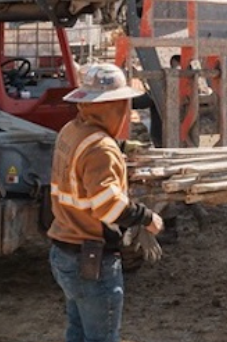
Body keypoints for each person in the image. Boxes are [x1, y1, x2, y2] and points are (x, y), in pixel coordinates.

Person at [48, 62, 164, 342]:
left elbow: (84, 163)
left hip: (64, 251)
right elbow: (108, 206)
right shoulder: (101, 149)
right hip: (92, 260)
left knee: (77, 331)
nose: (127, 113)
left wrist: (121, 148)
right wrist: (147, 218)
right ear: (112, 107)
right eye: (124, 105)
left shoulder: (71, 130)